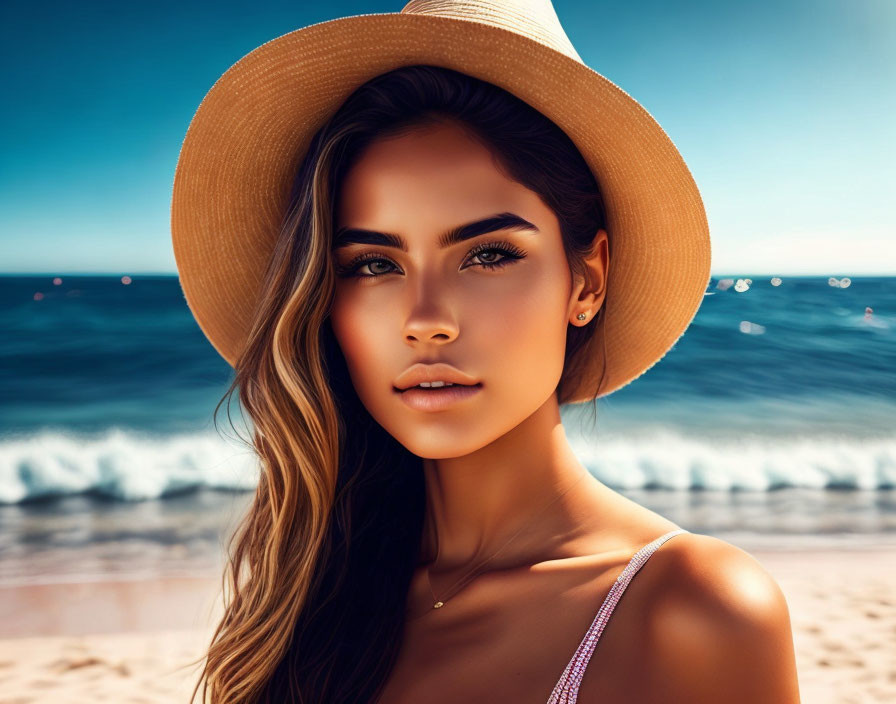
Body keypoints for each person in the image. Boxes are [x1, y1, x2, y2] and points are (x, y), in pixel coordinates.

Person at [171, 2, 801, 703]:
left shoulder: (692, 609)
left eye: (489, 254)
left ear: (586, 280)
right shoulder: (306, 598)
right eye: (374, 265)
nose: (426, 321)